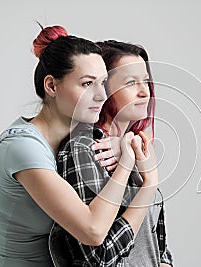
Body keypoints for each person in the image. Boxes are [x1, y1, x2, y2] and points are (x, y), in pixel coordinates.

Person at [0, 25, 145, 267]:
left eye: (103, 83)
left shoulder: (75, 141)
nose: (101, 95)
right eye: (87, 84)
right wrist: (127, 163)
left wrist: (123, 143)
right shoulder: (22, 148)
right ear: (51, 86)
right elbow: (93, 231)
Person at [50, 40, 173, 266]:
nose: (144, 91)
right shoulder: (86, 150)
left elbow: (158, 246)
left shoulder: (137, 148)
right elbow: (98, 257)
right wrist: (149, 183)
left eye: (145, 81)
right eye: (130, 83)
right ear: (102, 89)